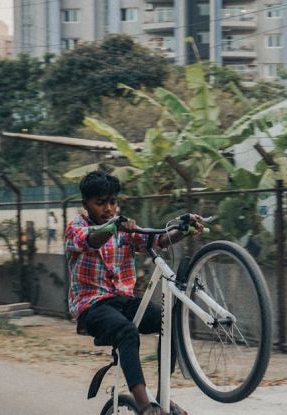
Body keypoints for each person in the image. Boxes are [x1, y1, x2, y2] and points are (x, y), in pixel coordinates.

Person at [66, 171, 201, 415]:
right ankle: (145, 406)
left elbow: (158, 240)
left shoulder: (124, 226)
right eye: (100, 203)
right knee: (126, 332)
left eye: (112, 202)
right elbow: (91, 241)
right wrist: (114, 227)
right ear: (86, 205)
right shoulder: (76, 228)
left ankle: (163, 396)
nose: (108, 208)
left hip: (123, 302)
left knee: (168, 319)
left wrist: (184, 230)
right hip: (92, 308)